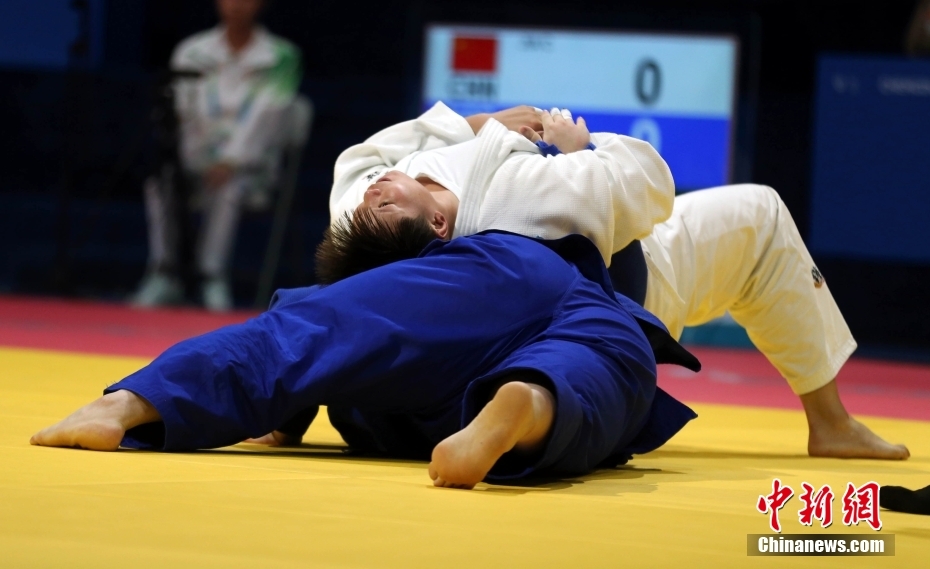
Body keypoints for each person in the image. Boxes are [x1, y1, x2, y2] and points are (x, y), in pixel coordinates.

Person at [320, 103, 909, 461]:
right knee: (761, 214)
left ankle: (291, 409)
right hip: (633, 293)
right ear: (440, 225)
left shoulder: (357, 210)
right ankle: (830, 424)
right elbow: (647, 185)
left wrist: (483, 123)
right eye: (385, 204)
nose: (377, 189)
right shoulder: (522, 197)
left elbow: (387, 148)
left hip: (566, 317)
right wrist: (584, 148)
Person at [32, 231, 701, 490]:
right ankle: (526, 401)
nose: (384, 184)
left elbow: (291, 342)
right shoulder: (360, 281)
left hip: (508, 294)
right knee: (598, 373)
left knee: (318, 332)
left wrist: (491, 126)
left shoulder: (472, 182)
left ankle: (122, 405)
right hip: (484, 373)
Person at [133, 0, 302, 311]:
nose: (237, 3)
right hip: (195, 158)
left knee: (228, 185)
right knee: (160, 183)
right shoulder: (192, 52)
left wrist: (231, 161)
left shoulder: (282, 56)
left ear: (260, 1)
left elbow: (269, 116)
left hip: (252, 167)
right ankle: (164, 271)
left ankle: (211, 276)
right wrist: (197, 159)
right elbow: (181, 113)